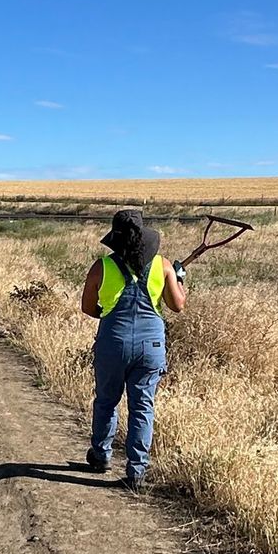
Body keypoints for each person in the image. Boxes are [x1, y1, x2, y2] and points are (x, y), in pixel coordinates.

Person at [80, 208, 186, 492]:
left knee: (106, 401)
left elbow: (88, 308)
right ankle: (137, 471)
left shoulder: (102, 267)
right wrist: (179, 279)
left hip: (113, 343)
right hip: (151, 346)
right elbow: (178, 305)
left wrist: (110, 312)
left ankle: (101, 456)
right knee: (142, 407)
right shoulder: (163, 266)